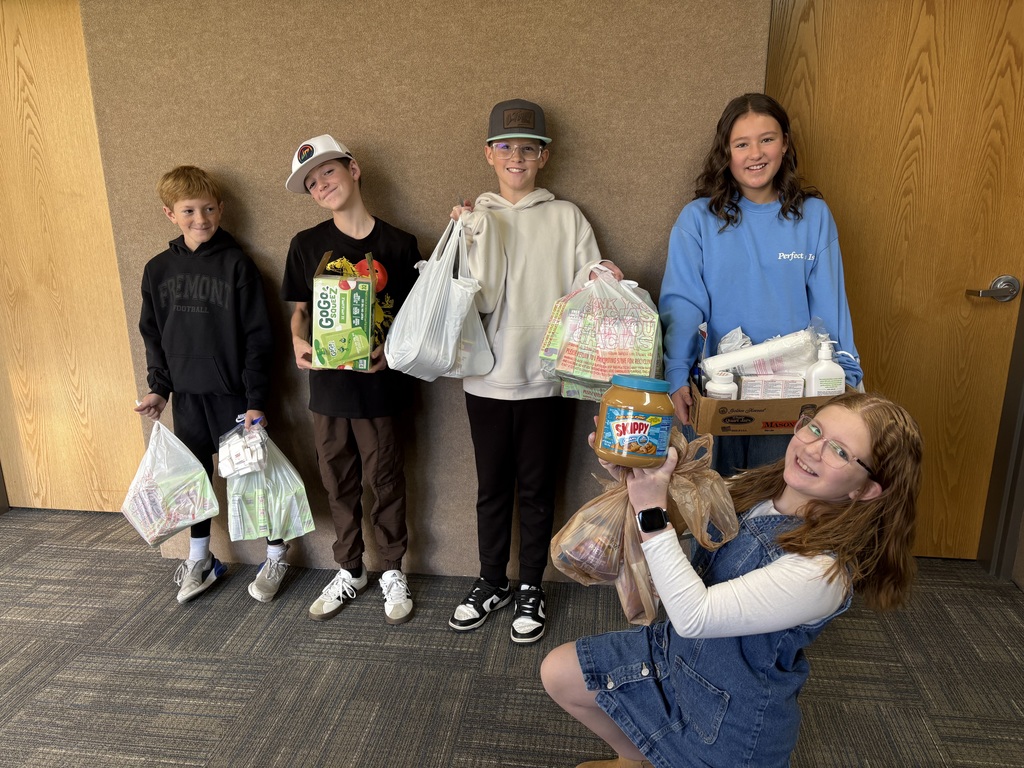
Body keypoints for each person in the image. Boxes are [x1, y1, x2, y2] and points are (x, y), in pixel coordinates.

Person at [541, 391, 922, 768]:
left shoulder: (822, 573)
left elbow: (694, 616)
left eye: (839, 451)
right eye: (815, 429)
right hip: (675, 658)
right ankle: (633, 759)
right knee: (560, 673)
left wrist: (650, 510)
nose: (812, 449)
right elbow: (680, 521)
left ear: (865, 489)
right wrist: (635, 473)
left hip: (729, 729)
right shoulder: (756, 491)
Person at [447, 98, 623, 644]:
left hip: (548, 377)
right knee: (491, 487)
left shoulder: (567, 217)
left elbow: (585, 283)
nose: (516, 158)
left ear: (544, 156)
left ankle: (530, 586)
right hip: (485, 376)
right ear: (488, 154)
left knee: (538, 488)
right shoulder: (472, 217)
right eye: (505, 147)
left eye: (528, 148)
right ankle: (490, 580)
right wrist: (466, 234)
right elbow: (471, 298)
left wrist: (603, 274)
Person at [659, 93, 863, 476]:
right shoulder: (698, 219)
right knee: (712, 504)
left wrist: (848, 382)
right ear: (726, 152)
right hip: (717, 391)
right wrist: (675, 376)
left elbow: (830, 306)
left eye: (767, 139)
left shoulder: (813, 217)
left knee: (778, 502)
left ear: (784, 144)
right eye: (742, 144)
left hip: (792, 396)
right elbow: (683, 306)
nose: (755, 153)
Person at [281, 134, 420, 625]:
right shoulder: (306, 245)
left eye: (328, 172)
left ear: (353, 170)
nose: (322, 185)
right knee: (337, 482)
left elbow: (416, 320)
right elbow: (300, 313)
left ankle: (392, 569)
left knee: (385, 479)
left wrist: (392, 351)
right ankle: (350, 569)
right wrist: (297, 342)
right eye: (311, 183)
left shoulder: (400, 245)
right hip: (328, 391)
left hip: (379, 388)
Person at [135, 165, 277, 604]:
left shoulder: (238, 265)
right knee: (193, 480)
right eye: (189, 210)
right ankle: (201, 558)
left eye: (209, 209)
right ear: (169, 214)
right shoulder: (157, 270)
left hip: (234, 395)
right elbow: (153, 336)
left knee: (251, 477)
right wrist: (159, 389)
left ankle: (276, 554)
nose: (201, 218)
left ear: (221, 209)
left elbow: (258, 337)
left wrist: (256, 399)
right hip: (187, 397)